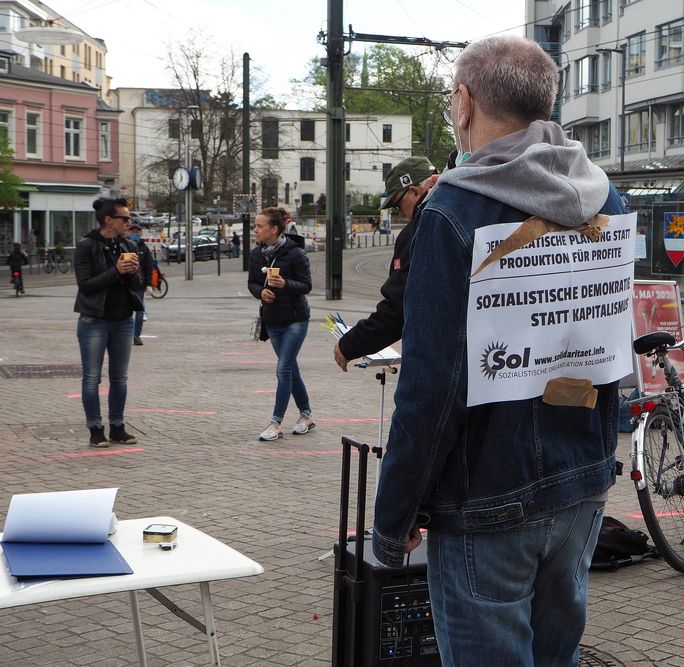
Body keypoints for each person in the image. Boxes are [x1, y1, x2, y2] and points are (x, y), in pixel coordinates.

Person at [371, 36, 625, 666]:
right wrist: (598, 461)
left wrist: (395, 512)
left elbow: (432, 387)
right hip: (581, 488)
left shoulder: (453, 211)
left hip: (485, 498)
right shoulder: (607, 200)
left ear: (464, 102)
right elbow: (608, 348)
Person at [333, 156, 439, 371]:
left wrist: (351, 343)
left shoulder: (422, 227)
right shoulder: (465, 206)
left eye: (398, 203)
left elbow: (399, 306)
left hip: (435, 355)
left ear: (415, 191)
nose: (398, 211)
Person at [74, 197, 143, 447]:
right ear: (108, 221)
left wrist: (134, 273)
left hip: (124, 320)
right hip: (94, 321)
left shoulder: (128, 245)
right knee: (92, 378)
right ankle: (95, 429)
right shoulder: (87, 245)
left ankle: (117, 426)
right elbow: (86, 285)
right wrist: (116, 270)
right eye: (124, 218)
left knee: (120, 378)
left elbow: (139, 286)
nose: (129, 222)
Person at [247, 206, 315, 441]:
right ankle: (306, 414)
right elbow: (252, 284)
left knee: (283, 368)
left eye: (259, 226)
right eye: (255, 225)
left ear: (274, 229)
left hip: (296, 319)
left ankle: (276, 423)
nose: (255, 230)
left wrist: (284, 284)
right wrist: (261, 292)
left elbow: (306, 286)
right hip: (272, 321)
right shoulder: (256, 255)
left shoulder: (295, 253)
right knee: (290, 369)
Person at [129, 223, 154, 346]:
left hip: (139, 284)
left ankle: (136, 335)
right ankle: (125, 334)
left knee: (139, 311)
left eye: (137, 232)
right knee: (126, 310)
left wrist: (148, 284)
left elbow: (149, 267)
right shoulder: (124, 245)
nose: (135, 234)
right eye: (133, 231)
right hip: (126, 284)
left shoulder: (144, 248)